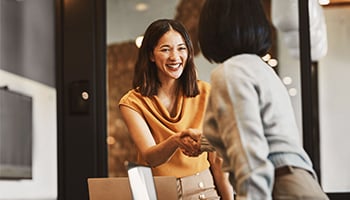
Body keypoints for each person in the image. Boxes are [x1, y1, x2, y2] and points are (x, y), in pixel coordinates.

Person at [196, 0, 330, 199]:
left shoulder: (231, 72)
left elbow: (250, 159)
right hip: (298, 183)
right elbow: (264, 135)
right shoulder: (261, 69)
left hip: (280, 187)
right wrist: (202, 142)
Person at [119, 19, 233, 200]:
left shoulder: (206, 92)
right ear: (151, 55)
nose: (175, 57)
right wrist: (176, 141)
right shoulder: (132, 103)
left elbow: (216, 160)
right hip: (156, 192)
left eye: (181, 48)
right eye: (165, 49)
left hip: (204, 190)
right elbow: (151, 157)